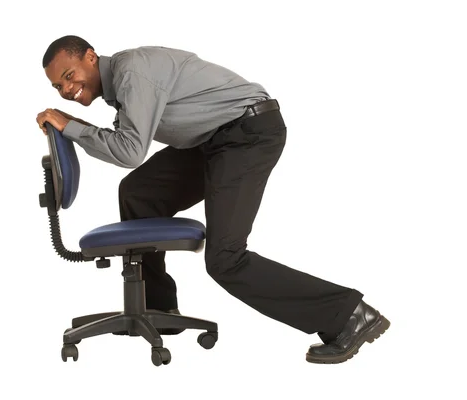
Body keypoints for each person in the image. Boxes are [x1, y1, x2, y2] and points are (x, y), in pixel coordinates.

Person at [35, 35, 390, 364]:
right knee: (138, 193)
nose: (66, 88)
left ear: (91, 57)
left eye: (69, 75)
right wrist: (75, 124)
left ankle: (349, 315)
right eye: (57, 86)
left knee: (225, 259)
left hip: (248, 133)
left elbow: (130, 151)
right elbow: (127, 146)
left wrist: (73, 127)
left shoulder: (132, 72)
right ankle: (161, 310)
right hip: (213, 139)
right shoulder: (122, 85)